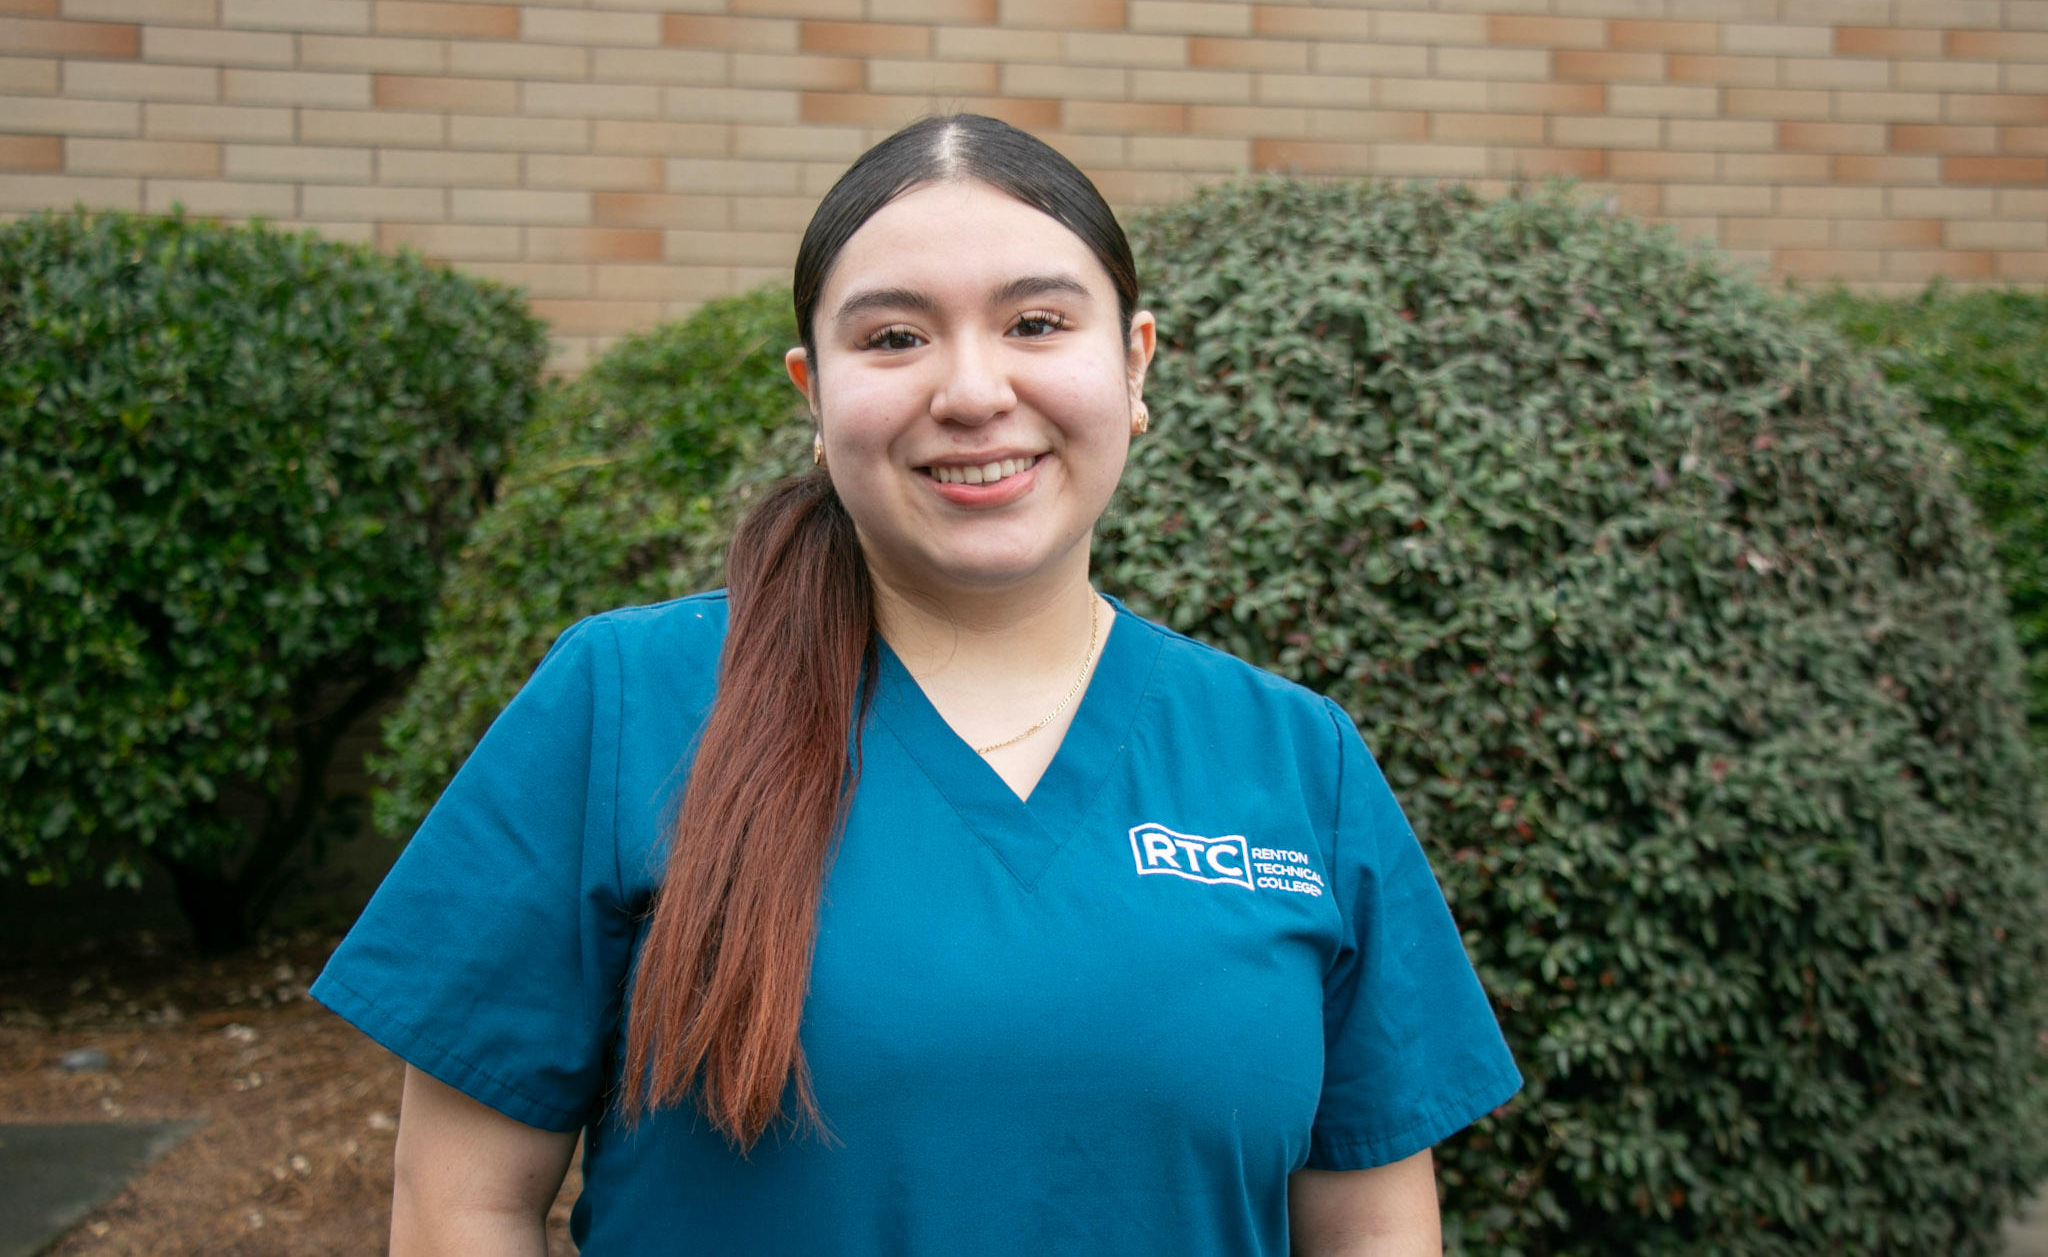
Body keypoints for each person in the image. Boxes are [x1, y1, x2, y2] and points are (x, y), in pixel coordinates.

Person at [312, 113, 1521, 1256]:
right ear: (813, 393)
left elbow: (1371, 1228)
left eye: (1037, 324)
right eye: (893, 337)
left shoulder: (1292, 760)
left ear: (1135, 363)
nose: (971, 392)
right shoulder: (627, 703)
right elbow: (456, 1206)